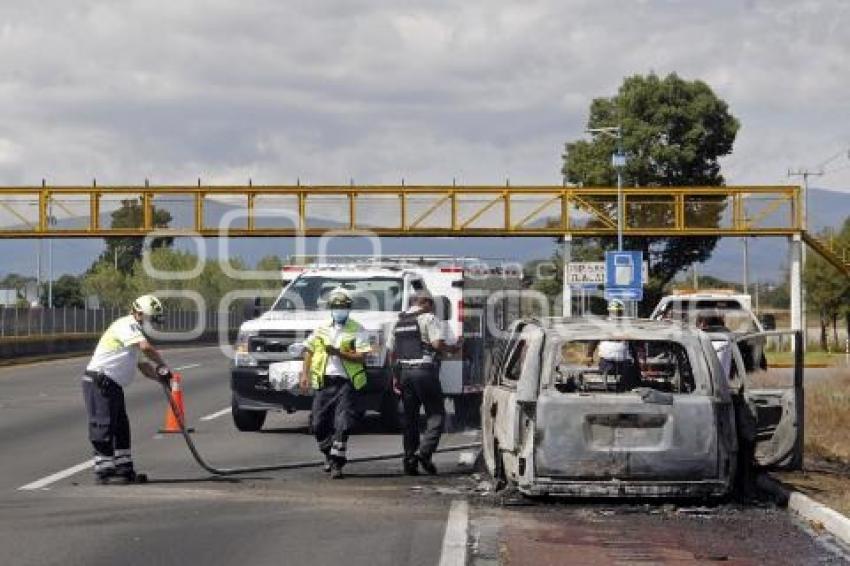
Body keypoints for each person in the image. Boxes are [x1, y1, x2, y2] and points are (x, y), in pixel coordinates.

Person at [82, 295, 173, 484]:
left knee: (121, 426)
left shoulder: (134, 335)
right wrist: (164, 365)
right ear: (139, 314)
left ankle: (124, 467)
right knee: (104, 425)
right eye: (151, 319)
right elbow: (146, 348)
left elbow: (144, 366)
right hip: (100, 381)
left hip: (113, 384)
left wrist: (161, 378)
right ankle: (104, 471)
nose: (153, 324)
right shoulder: (126, 325)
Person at [300, 288, 371, 479]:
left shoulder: (358, 329)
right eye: (337, 307)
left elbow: (362, 357)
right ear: (331, 308)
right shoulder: (321, 329)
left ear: (349, 309)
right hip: (324, 383)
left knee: (343, 425)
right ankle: (328, 454)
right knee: (318, 424)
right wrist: (304, 374)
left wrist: (339, 353)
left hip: (346, 384)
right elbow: (308, 350)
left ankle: (337, 464)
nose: (340, 310)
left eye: (344, 307)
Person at [387, 291, 461, 476]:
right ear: (426, 303)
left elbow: (391, 352)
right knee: (436, 415)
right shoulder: (429, 318)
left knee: (410, 419)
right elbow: (437, 345)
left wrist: (395, 376)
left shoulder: (398, 322)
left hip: (404, 373)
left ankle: (410, 461)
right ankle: (424, 452)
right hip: (424, 372)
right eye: (433, 304)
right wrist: (453, 349)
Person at [586, 299, 641, 391]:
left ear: (621, 312)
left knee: (628, 378)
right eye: (614, 312)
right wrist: (589, 355)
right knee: (606, 379)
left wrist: (636, 361)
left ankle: (627, 387)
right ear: (609, 312)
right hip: (607, 359)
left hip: (623, 359)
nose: (616, 314)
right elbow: (594, 340)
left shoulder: (626, 325)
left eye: (618, 312)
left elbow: (632, 344)